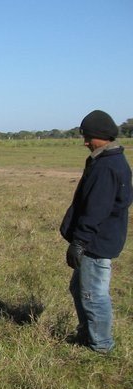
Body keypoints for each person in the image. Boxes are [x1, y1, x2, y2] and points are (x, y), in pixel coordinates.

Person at [60, 110, 132, 352]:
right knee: (80, 288)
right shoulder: (107, 160)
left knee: (93, 294)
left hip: (95, 241)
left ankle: (100, 345)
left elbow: (96, 210)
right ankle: (88, 334)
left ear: (102, 136)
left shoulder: (107, 166)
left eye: (89, 137)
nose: (86, 142)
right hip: (98, 238)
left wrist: (79, 242)